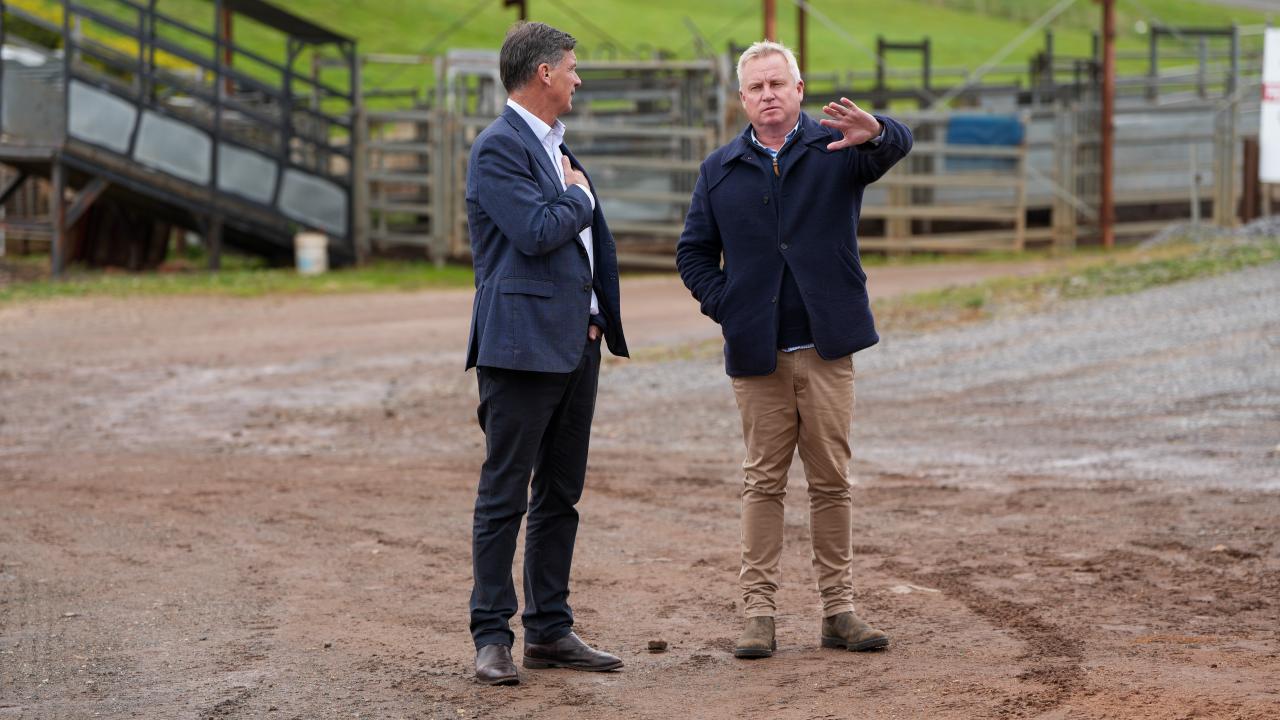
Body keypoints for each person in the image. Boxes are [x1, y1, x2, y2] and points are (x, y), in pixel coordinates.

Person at [676, 40, 911, 659]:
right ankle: (759, 614)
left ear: (799, 90)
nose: (768, 95)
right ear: (742, 99)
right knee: (763, 482)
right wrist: (729, 306)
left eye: (778, 83)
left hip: (828, 346)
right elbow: (692, 254)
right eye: (756, 87)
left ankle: (840, 611)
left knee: (832, 481)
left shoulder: (838, 149)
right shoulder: (718, 171)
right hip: (759, 354)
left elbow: (897, 145)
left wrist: (879, 129)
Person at [464, 21, 628, 685]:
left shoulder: (557, 146)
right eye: (572, 68)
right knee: (505, 495)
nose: (578, 79)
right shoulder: (498, 148)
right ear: (543, 74)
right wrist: (581, 196)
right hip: (521, 348)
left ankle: (551, 631)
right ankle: (491, 637)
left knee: (561, 493)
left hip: (574, 346)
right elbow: (536, 232)